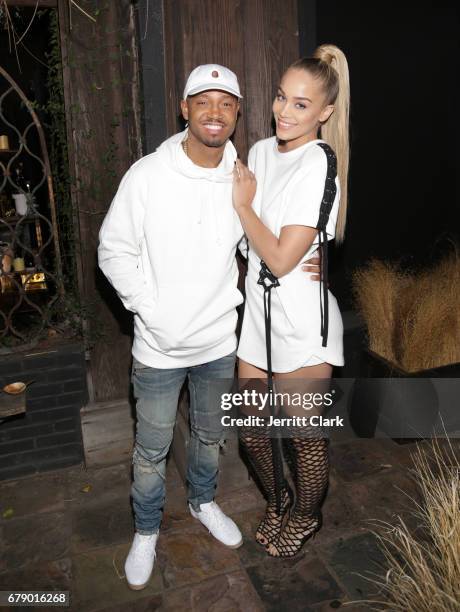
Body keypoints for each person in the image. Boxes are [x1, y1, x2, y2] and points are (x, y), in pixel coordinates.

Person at [233, 44, 350, 558]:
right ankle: (279, 500)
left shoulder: (319, 160)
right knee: (253, 432)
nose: (284, 110)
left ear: (324, 112)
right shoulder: (259, 152)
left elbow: (281, 258)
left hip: (302, 318)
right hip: (258, 314)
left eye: (301, 104)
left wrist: (243, 208)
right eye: (282, 97)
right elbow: (249, 244)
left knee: (305, 439)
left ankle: (307, 514)